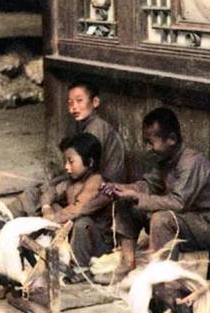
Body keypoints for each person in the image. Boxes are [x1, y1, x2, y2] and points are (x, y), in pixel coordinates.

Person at [102, 107, 210, 281]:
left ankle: (163, 283)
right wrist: (122, 189)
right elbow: (148, 185)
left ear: (171, 139)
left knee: (161, 219)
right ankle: (127, 264)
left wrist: (137, 196)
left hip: (208, 227)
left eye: (151, 142)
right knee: (125, 203)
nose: (148, 148)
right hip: (185, 219)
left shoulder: (191, 163)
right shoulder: (164, 159)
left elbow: (178, 203)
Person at [9, 80, 125, 216]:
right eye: (70, 102)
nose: (74, 107)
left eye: (79, 101)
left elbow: (83, 170)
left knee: (39, 195)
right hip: (87, 179)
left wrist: (52, 184)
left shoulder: (96, 128)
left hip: (102, 188)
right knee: (43, 193)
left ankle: (5, 218)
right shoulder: (84, 125)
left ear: (95, 102)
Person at [40, 133, 112, 268]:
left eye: (71, 162)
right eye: (65, 162)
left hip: (99, 247)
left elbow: (78, 208)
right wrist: (46, 208)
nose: (66, 167)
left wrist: (52, 219)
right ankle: (62, 258)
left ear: (90, 162)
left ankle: (79, 268)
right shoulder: (72, 182)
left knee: (82, 223)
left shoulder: (96, 181)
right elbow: (50, 192)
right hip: (78, 242)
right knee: (55, 205)